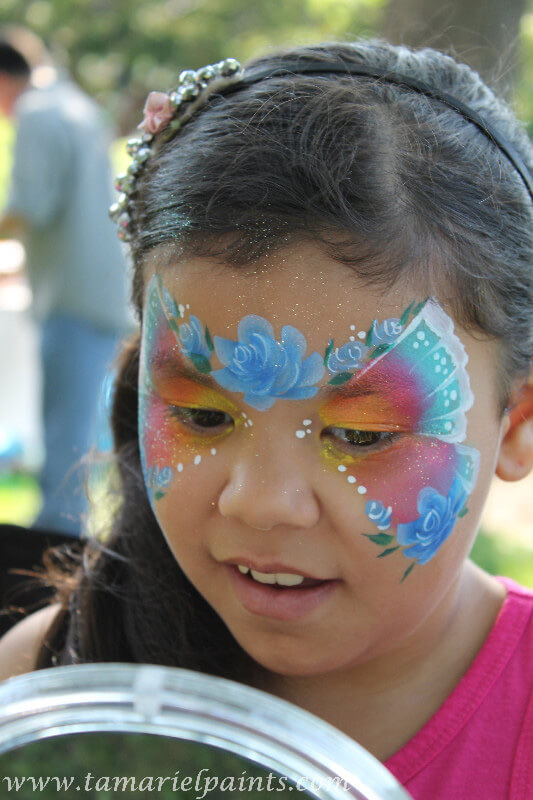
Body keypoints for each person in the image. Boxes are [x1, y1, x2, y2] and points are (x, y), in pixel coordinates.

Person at [0, 39, 532, 799]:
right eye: (202, 415)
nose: (260, 501)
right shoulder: (54, 685)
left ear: (515, 424)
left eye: (361, 434)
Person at [0, 29, 130, 535]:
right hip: (97, 296)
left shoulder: (37, 112)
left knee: (66, 447)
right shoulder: (72, 104)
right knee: (76, 437)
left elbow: (27, 210)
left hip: (74, 304)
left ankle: (56, 558)